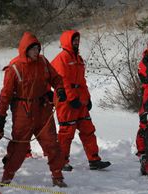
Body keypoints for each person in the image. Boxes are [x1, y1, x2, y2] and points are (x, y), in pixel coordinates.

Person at [0, 32, 68, 187]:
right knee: (19, 148)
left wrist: (59, 89)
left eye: (37, 48)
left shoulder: (43, 61)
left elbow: (56, 78)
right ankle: (6, 179)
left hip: (43, 109)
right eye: (33, 49)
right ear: (25, 49)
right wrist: (1, 118)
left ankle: (57, 176)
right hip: (23, 112)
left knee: (52, 144)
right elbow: (5, 95)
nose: (36, 51)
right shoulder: (14, 68)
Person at [51, 30, 111, 171]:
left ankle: (94, 160)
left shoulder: (78, 59)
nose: (77, 42)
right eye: (74, 40)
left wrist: (87, 98)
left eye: (78, 40)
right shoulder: (62, 58)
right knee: (67, 132)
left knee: (88, 130)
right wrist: (71, 98)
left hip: (80, 100)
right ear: (67, 41)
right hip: (66, 101)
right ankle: (61, 161)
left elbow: (82, 81)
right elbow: (62, 81)